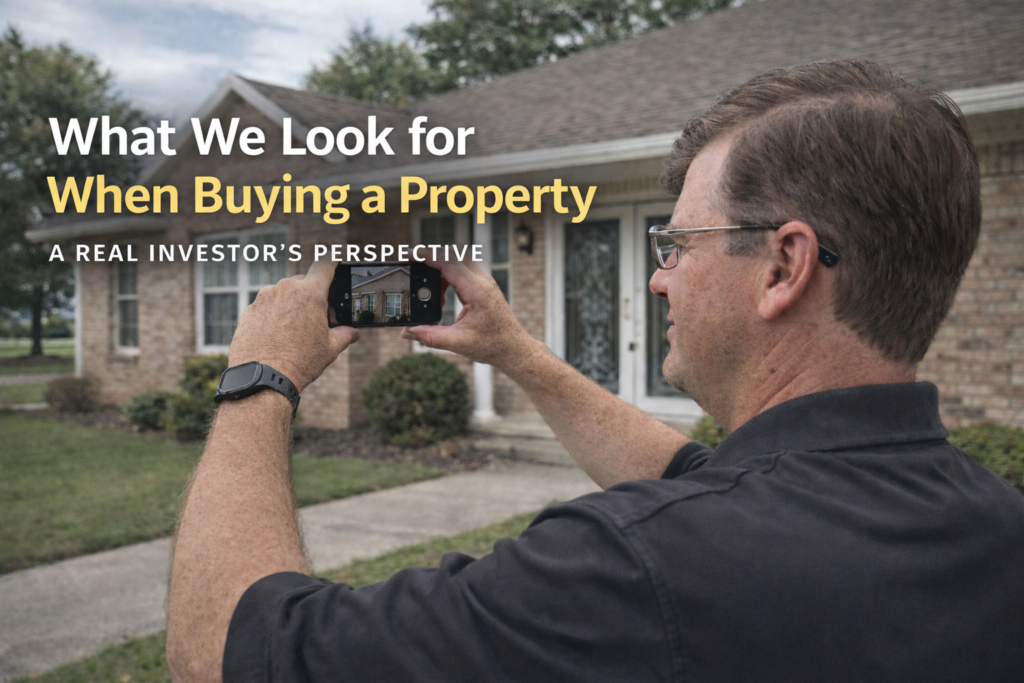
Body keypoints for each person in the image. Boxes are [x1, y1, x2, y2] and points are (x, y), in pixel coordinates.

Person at [166, 60, 1024, 682]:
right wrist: (516, 351)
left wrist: (259, 377)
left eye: (677, 244)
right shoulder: (990, 522)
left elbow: (227, 654)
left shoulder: (634, 567)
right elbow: (705, 476)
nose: (658, 276)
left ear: (782, 267)